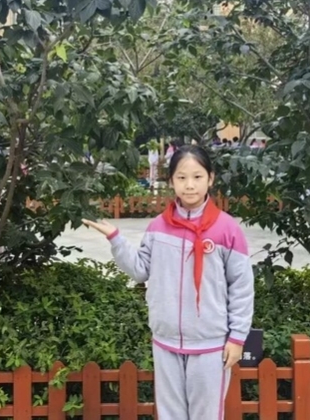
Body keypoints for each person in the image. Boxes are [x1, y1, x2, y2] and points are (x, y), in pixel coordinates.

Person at [83, 145, 254, 420]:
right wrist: (115, 238)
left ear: (210, 179)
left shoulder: (227, 229)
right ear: (171, 181)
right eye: (181, 177)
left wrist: (237, 338)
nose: (189, 185)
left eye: (197, 177)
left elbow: (242, 287)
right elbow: (140, 271)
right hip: (166, 341)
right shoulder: (158, 227)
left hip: (210, 344)